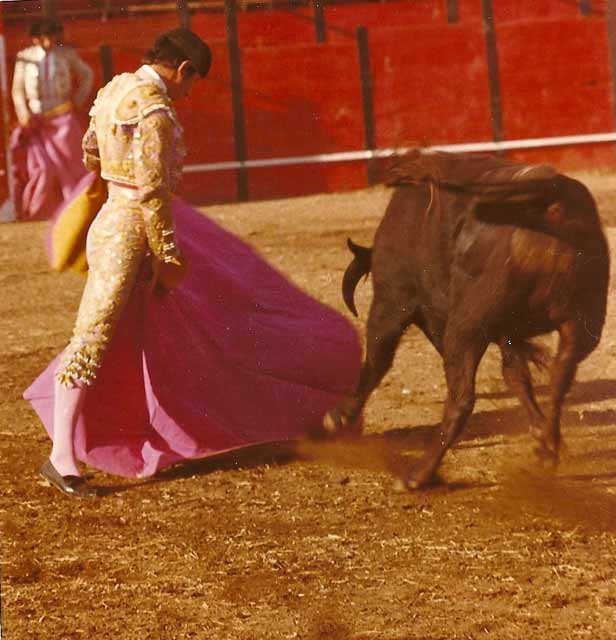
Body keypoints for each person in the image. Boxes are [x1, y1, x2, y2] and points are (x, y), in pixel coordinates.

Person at [25, 28, 361, 497]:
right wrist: (167, 257)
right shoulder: (155, 110)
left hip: (108, 223)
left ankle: (110, 439)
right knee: (94, 336)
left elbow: (89, 153)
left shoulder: (113, 89)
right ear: (182, 69)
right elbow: (155, 195)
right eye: (193, 81)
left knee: (115, 335)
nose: (188, 92)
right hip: (132, 234)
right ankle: (63, 454)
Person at [11, 18, 94, 221]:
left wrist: (77, 101)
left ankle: (75, 210)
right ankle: (40, 212)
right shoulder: (25, 58)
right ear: (36, 39)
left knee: (73, 165)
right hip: (36, 120)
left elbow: (87, 75)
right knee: (43, 169)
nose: (49, 42)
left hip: (62, 116)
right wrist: (23, 114)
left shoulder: (66, 55)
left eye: (52, 37)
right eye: (44, 38)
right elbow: (18, 90)